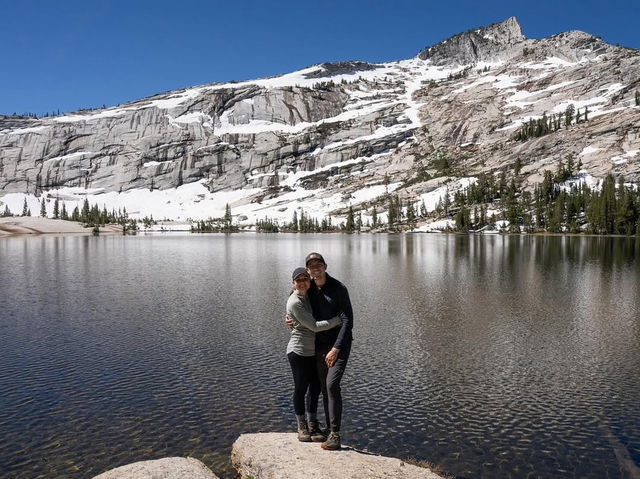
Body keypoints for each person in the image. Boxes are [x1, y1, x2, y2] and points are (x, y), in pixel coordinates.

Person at [288, 252, 353, 451]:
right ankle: (320, 427)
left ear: (325, 266)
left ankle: (334, 433)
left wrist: (336, 348)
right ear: (308, 270)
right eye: (311, 266)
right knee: (320, 387)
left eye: (318, 265)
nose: (315, 269)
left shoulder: (338, 288)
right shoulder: (310, 288)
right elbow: (294, 299)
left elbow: (347, 320)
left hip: (338, 346)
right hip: (319, 346)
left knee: (331, 385)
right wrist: (289, 317)